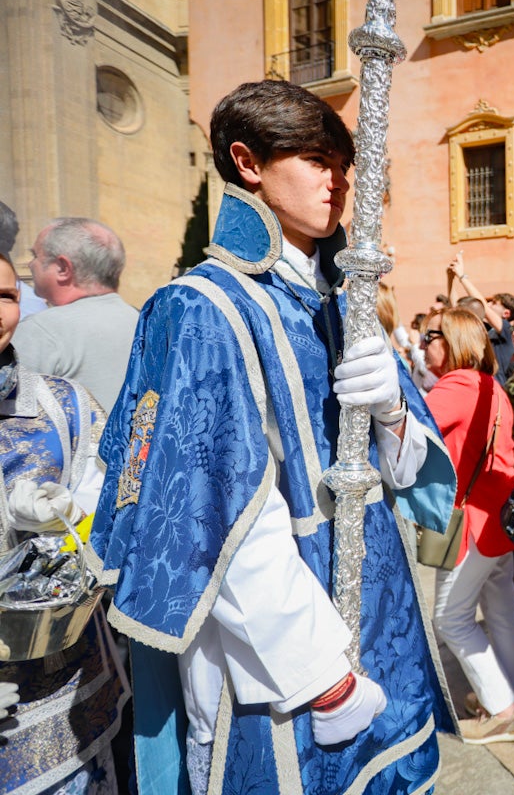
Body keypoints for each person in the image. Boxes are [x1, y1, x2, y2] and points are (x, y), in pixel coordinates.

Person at [85, 80, 457, 795]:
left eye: (342, 163)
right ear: (247, 162)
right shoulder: (197, 307)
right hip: (284, 652)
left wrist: (393, 412)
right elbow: (214, 512)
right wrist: (324, 679)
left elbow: (409, 477)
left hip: (384, 615)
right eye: (316, 159)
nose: (338, 180)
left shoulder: (345, 304)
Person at [0, 249, 129, 795]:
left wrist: (70, 518)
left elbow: (113, 507)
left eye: (6, 296)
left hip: (60, 696)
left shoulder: (63, 406)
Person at [420, 308, 514, 745]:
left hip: (473, 524)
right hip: (497, 518)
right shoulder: (490, 386)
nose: (425, 342)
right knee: (499, 606)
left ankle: (503, 710)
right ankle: (508, 689)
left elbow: (403, 431)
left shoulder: (457, 386)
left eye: (432, 335)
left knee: (450, 619)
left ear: (455, 342)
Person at [13, 218, 139, 412]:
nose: (30, 264)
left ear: (63, 269)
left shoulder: (41, 330)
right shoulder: (143, 321)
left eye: (35, 255)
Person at [448, 254, 514, 381]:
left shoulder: (510, 332)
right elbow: (456, 309)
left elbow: (482, 306)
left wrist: (462, 276)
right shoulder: (486, 330)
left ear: (506, 313)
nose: (489, 304)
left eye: (494, 303)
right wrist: (450, 279)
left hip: (498, 393)